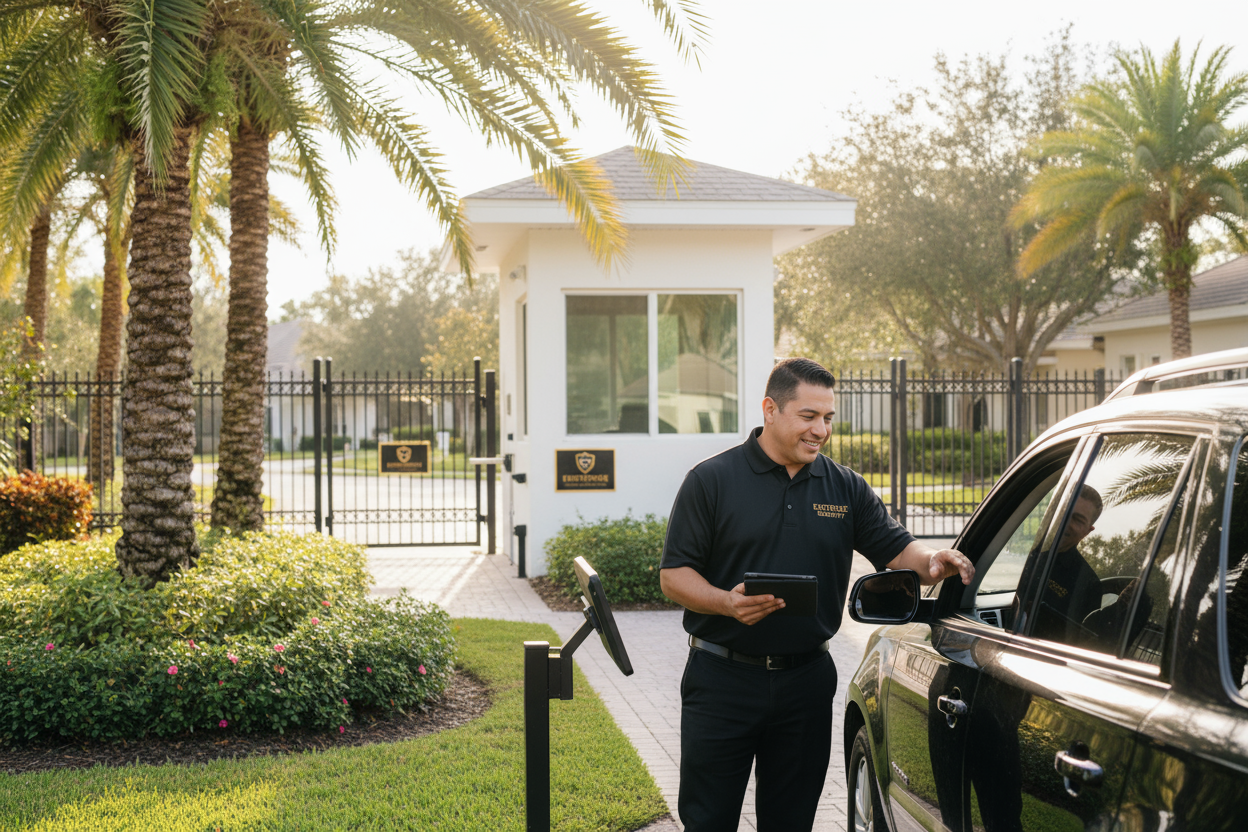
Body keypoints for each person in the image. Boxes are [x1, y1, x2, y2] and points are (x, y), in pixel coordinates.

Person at [659, 357, 974, 832]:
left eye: (827, 418)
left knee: (791, 822)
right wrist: (727, 602)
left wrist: (932, 563)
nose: (821, 430)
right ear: (770, 409)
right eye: (808, 417)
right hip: (721, 679)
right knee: (708, 820)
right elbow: (674, 575)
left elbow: (896, 548)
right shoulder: (712, 480)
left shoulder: (844, 486)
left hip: (805, 683)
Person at [1028, 485, 1104, 643]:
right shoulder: (1020, 548)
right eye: (1062, 511)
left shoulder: (1088, 584)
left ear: (1087, 531)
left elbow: (1073, 645)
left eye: (1077, 519)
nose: (1064, 522)